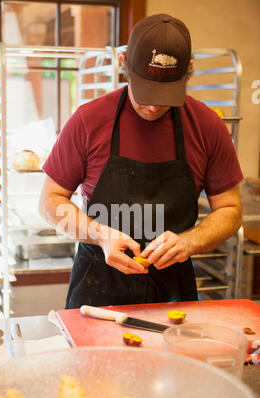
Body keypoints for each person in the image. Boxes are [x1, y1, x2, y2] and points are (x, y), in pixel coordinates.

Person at [39, 13, 243, 309]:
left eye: (165, 94)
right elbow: (49, 201)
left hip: (173, 292)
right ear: (124, 64)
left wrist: (190, 241)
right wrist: (100, 235)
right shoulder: (88, 121)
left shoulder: (207, 127)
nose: (151, 105)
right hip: (97, 289)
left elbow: (231, 210)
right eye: (144, 89)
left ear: (188, 71)